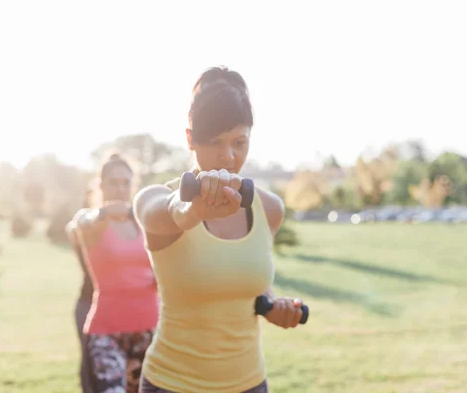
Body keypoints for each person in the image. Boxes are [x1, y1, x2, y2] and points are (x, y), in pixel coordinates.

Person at [133, 66, 306, 393]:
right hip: (172, 385)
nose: (228, 156)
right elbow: (167, 215)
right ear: (190, 139)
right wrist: (192, 207)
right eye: (215, 142)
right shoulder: (156, 198)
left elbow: (242, 283)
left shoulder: (268, 209)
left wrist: (273, 307)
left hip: (250, 383)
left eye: (239, 142)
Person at [66, 154, 159, 393]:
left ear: (133, 186)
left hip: (149, 329)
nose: (120, 188)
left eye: (126, 182)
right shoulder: (92, 223)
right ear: (100, 185)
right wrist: (106, 213)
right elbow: (80, 223)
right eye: (113, 182)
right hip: (107, 332)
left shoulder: (145, 223)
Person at [66, 179, 103, 393]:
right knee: (89, 361)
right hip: (87, 303)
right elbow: (73, 228)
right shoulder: (82, 224)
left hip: (116, 305)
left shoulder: (126, 222)